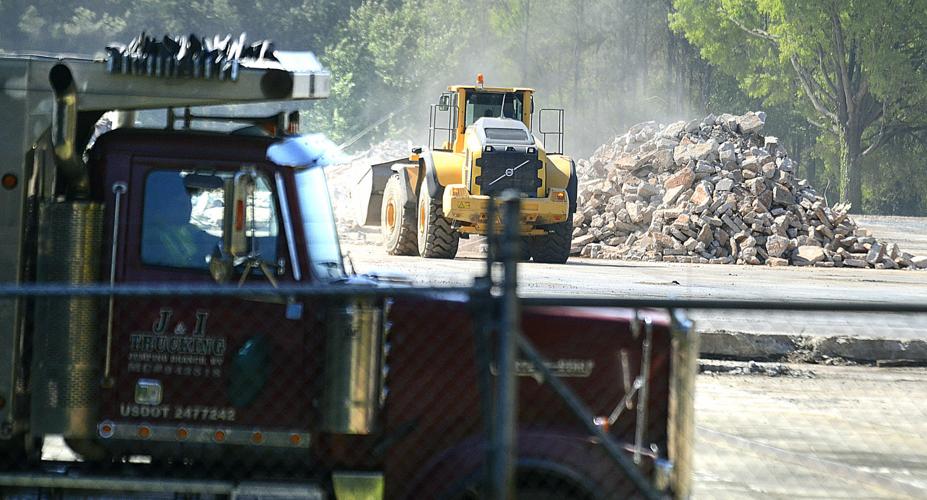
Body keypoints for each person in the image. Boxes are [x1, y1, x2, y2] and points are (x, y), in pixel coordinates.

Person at [141, 172, 220, 269]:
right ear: (164, 205)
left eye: (188, 202)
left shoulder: (183, 228)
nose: (188, 209)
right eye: (181, 204)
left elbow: (207, 239)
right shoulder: (152, 237)